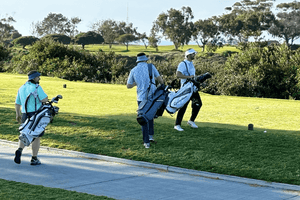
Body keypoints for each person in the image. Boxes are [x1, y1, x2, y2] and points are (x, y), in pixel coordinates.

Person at [127, 53, 164, 148]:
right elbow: (160, 80)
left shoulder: (133, 70)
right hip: (152, 97)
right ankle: (150, 137)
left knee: (143, 119)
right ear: (145, 60)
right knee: (150, 116)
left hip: (141, 98)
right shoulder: (151, 67)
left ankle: (146, 142)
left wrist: (137, 83)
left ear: (137, 60)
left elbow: (128, 85)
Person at [14, 70, 48, 165]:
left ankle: (20, 150)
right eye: (38, 77)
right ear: (34, 78)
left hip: (25, 114)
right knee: (36, 136)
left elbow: (17, 103)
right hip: (36, 114)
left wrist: (18, 114)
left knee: (24, 133)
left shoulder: (21, 88)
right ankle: (34, 158)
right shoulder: (36, 87)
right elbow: (44, 99)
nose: (39, 78)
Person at [174, 48, 202, 131]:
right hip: (185, 88)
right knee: (183, 106)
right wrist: (189, 77)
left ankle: (191, 121)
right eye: (193, 54)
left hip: (192, 88)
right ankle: (177, 125)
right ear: (188, 55)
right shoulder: (182, 64)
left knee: (198, 104)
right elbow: (178, 75)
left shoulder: (191, 63)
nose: (194, 55)